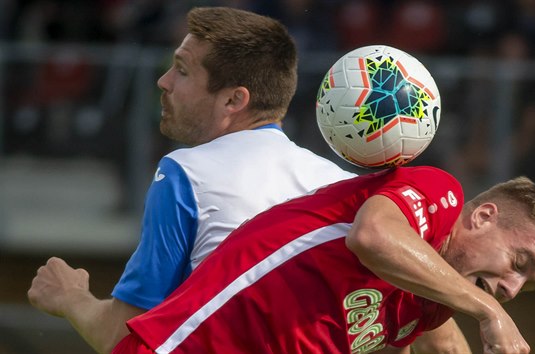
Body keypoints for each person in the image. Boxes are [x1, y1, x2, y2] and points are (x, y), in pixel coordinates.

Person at [27, 7, 358, 354]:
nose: (164, 81)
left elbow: (123, 337)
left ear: (233, 99)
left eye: (182, 71)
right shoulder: (343, 186)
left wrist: (70, 297)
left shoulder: (186, 173)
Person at [110, 166, 535, 354]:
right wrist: (491, 314)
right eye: (520, 261)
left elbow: (438, 345)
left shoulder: (428, 303)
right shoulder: (439, 193)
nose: (511, 287)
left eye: (527, 285)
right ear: (484, 216)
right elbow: (373, 236)